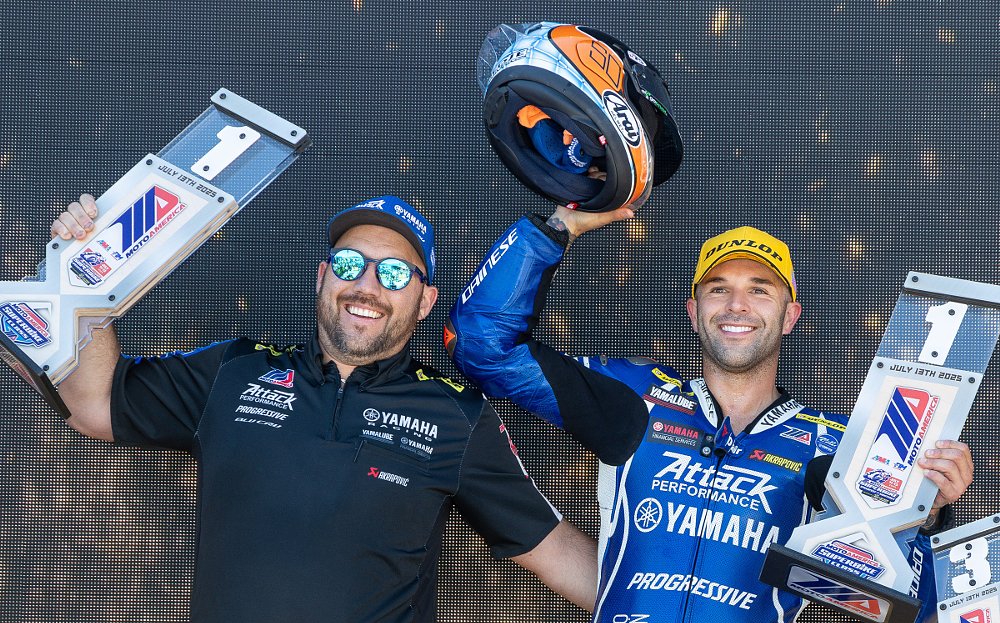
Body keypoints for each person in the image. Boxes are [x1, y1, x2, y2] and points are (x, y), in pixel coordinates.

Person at [50, 194, 598, 622]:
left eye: (394, 274)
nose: (367, 286)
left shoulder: (457, 416)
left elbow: (559, 555)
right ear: (321, 276)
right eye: (350, 263)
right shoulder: (234, 371)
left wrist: (674, 599)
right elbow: (94, 404)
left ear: (425, 302)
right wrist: (88, 271)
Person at [445, 205, 975, 622]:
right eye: (718, 289)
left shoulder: (838, 447)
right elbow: (480, 345)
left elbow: (918, 607)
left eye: (759, 290)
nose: (736, 305)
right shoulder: (636, 399)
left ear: (789, 317)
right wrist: (557, 226)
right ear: (694, 312)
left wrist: (926, 514)